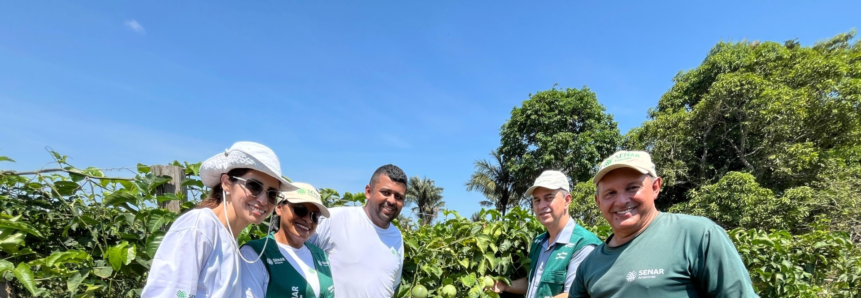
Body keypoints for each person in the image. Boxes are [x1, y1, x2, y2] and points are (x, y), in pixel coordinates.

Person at [569, 151, 758, 298]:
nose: (621, 201)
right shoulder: (589, 264)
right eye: (610, 193)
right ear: (598, 202)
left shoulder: (698, 236)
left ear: (655, 187)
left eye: (632, 187)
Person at [142, 141, 297, 298]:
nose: (263, 200)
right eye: (254, 186)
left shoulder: (228, 238)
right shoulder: (199, 227)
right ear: (226, 183)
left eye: (272, 194)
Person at [492, 170, 602, 298]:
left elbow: (573, 294)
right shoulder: (539, 242)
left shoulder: (583, 244)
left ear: (567, 200)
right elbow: (534, 283)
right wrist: (504, 285)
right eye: (537, 200)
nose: (541, 205)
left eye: (549, 198)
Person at [308, 164, 407, 298]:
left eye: (398, 197)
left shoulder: (397, 237)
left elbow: (392, 286)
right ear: (368, 192)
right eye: (385, 192)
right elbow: (295, 255)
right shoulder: (333, 219)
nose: (391, 200)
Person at [240, 182, 335, 298]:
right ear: (279, 208)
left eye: (314, 216)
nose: (308, 220)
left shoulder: (320, 255)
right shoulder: (255, 254)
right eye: (300, 209)